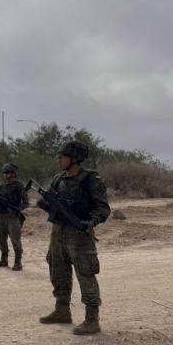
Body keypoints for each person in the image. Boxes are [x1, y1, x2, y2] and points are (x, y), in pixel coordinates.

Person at [37, 140, 110, 335]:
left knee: (85, 272)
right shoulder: (58, 179)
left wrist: (91, 221)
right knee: (57, 268)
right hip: (58, 231)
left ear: (75, 159)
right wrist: (45, 204)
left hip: (80, 233)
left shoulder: (90, 179)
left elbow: (103, 208)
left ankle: (92, 319)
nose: (59, 159)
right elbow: (49, 201)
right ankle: (62, 310)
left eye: (63, 156)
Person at [0, 163, 29, 270]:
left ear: (13, 173)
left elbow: (26, 203)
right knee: (1, 238)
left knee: (15, 240)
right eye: (4, 172)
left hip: (12, 217)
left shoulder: (18, 186)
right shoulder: (2, 186)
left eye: (7, 172)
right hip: (0, 215)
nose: (5, 175)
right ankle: (4, 259)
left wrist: (16, 209)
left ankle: (18, 262)